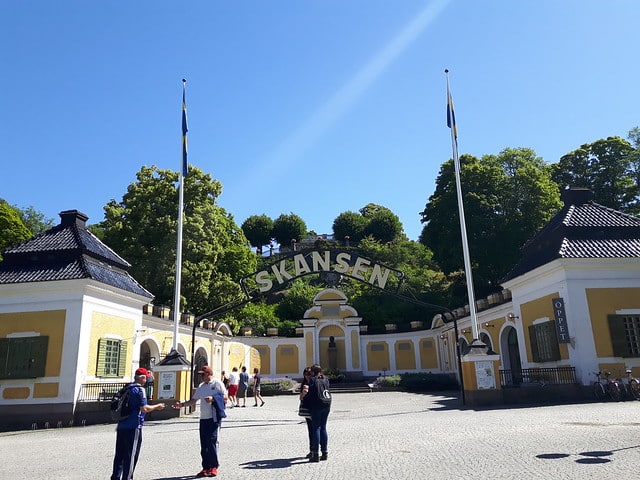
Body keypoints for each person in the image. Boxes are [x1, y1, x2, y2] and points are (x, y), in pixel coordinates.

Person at [172, 366, 227, 478]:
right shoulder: (201, 387)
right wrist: (181, 405)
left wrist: (213, 398)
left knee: (212, 441)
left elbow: (225, 397)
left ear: (209, 374)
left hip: (214, 417)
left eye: (203, 375)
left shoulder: (217, 383)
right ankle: (205, 467)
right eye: (201, 375)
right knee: (204, 444)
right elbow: (193, 400)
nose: (201, 377)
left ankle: (214, 466)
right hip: (203, 418)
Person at [111, 368, 166, 480]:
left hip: (122, 425)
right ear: (142, 378)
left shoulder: (127, 387)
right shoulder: (140, 390)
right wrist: (157, 406)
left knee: (119, 455)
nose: (146, 380)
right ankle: (128, 478)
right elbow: (144, 408)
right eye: (145, 378)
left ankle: (115, 477)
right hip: (134, 425)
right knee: (131, 455)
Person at [300, 364, 331, 462]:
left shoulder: (313, 380)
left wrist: (305, 396)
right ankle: (325, 453)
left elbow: (310, 395)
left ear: (313, 372)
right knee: (323, 428)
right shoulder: (326, 380)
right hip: (326, 405)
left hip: (316, 406)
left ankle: (315, 454)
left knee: (316, 428)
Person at [299, 366, 313, 459]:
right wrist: (303, 393)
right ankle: (312, 450)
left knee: (316, 430)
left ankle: (317, 450)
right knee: (311, 431)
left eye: (308, 374)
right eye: (305, 375)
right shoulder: (303, 384)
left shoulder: (315, 383)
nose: (307, 376)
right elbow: (300, 398)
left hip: (315, 409)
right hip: (307, 410)